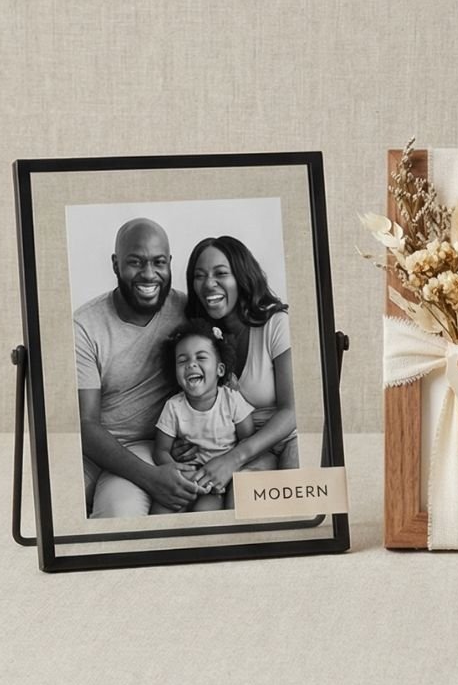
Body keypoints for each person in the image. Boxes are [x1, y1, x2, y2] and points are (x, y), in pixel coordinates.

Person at [74, 217, 202, 518]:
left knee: (117, 517)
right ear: (116, 264)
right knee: (53, 509)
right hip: (94, 450)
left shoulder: (186, 311)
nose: (149, 274)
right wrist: (150, 478)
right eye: (135, 262)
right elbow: (86, 424)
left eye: (159, 262)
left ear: (170, 263)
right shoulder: (85, 326)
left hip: (151, 445)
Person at [185, 236, 299, 485]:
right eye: (199, 276)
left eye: (220, 273)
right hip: (242, 446)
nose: (208, 284)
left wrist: (234, 459)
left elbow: (292, 412)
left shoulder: (276, 324)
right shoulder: (202, 341)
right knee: (241, 500)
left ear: (241, 277)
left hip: (291, 438)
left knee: (296, 498)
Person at [152, 323, 257, 512]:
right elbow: (161, 450)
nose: (191, 364)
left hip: (222, 480)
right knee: (160, 510)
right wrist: (180, 471)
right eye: (182, 360)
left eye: (201, 357)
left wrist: (229, 473)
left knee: (204, 511)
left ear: (220, 370)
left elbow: (248, 438)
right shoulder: (173, 407)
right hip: (188, 476)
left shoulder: (231, 400)